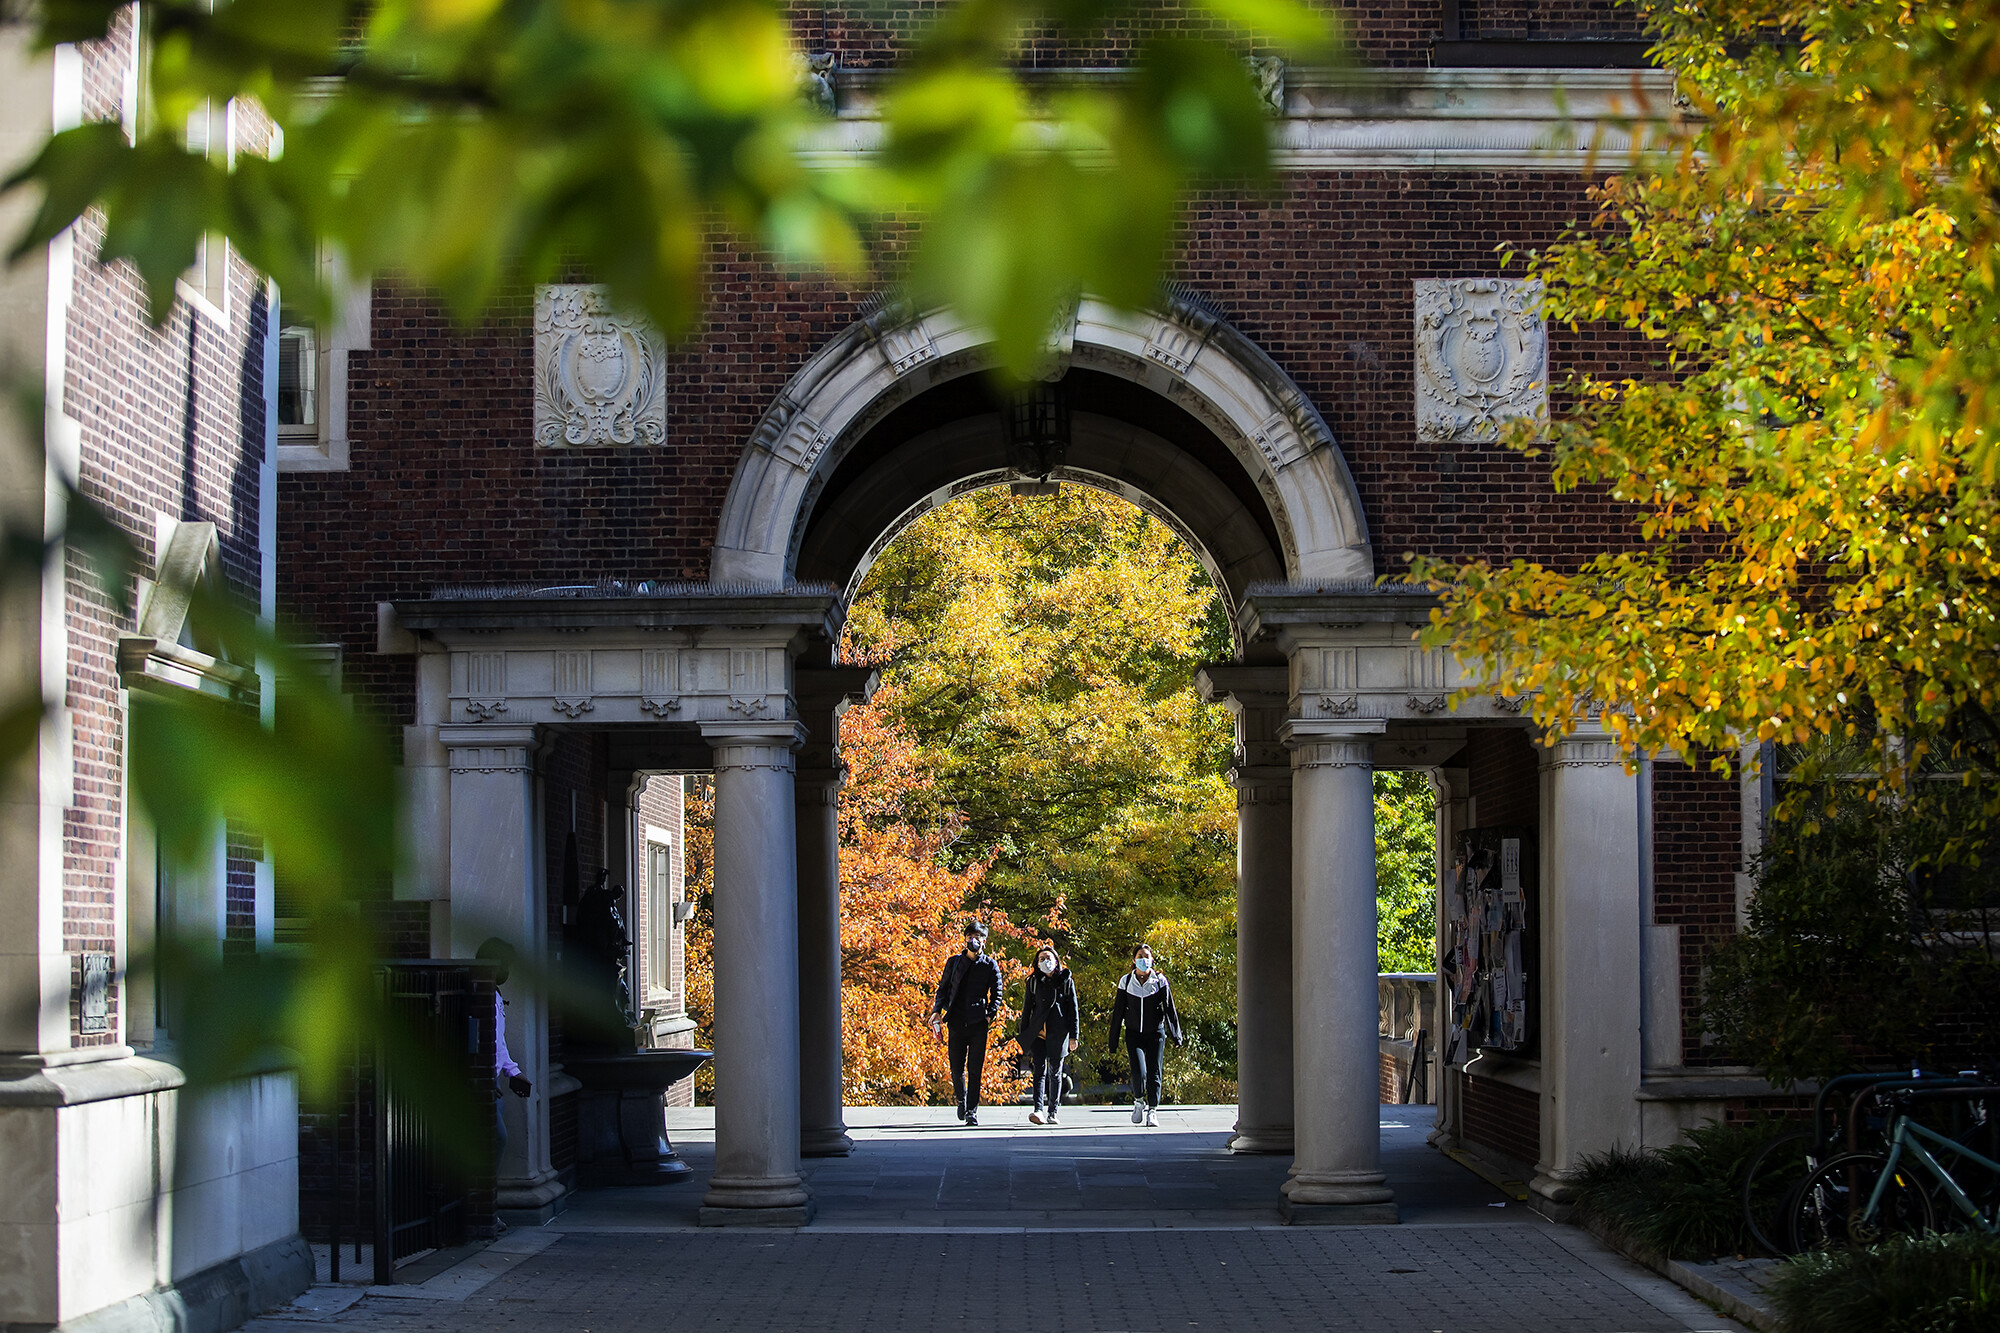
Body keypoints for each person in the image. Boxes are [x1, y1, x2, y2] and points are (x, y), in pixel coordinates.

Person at [929, 920, 1002, 1125]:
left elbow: (997, 993)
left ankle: (972, 1111)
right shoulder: (953, 962)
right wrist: (937, 1011)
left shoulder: (990, 965)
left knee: (975, 1068)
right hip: (956, 1021)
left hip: (978, 1023)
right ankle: (961, 1100)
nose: (973, 941)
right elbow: (943, 989)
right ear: (965, 939)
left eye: (977, 937)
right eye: (969, 937)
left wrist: (989, 1015)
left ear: (984, 941)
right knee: (956, 1066)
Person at [1106, 943, 1183, 1127]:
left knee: (1155, 1072)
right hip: (1134, 1034)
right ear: (1134, 960)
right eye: (1140, 956)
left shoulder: (1160, 981)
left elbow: (1170, 1010)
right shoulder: (1125, 981)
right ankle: (1139, 1101)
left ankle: (1153, 1110)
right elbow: (1118, 1013)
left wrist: (1176, 1035)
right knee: (1139, 1071)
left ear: (1152, 959)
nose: (1143, 959)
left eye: (1147, 956)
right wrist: (1113, 1041)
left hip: (1155, 1033)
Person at [1018, 945, 1080, 1125]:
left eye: (1049, 958)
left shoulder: (1066, 981)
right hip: (1038, 1033)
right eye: (1042, 959)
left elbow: (1073, 1010)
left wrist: (1074, 1036)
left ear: (1056, 960)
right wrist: (1024, 1036)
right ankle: (1038, 1109)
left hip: (1059, 1033)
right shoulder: (1033, 982)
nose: (1046, 961)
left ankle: (1053, 1111)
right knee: (1039, 1071)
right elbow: (1027, 1009)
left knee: (1055, 1072)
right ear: (1037, 964)